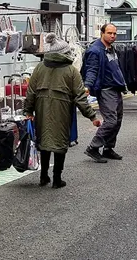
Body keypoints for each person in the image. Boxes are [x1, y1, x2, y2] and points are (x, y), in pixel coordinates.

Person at [25, 33, 101, 188]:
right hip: (63, 110)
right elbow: (80, 97)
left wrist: (28, 111)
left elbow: (31, 92)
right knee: (60, 143)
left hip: (42, 108)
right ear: (65, 54)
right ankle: (57, 179)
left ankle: (43, 176)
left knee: (44, 141)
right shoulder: (71, 71)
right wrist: (92, 116)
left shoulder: (39, 68)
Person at [82, 23, 127, 163]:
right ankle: (93, 147)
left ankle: (108, 148)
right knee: (111, 121)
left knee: (117, 120)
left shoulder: (111, 49)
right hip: (106, 90)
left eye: (114, 33)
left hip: (116, 88)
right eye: (109, 33)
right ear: (102, 33)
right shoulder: (95, 51)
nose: (112, 36)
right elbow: (91, 70)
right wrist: (87, 86)